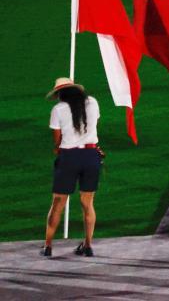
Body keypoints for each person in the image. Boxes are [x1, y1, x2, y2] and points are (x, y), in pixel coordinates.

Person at [42, 78, 103, 258]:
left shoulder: (58, 109)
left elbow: (57, 139)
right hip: (91, 156)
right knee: (87, 203)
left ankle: (48, 246)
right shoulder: (92, 103)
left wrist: (59, 149)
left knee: (58, 203)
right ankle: (88, 245)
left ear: (61, 93)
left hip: (69, 157)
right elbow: (94, 126)